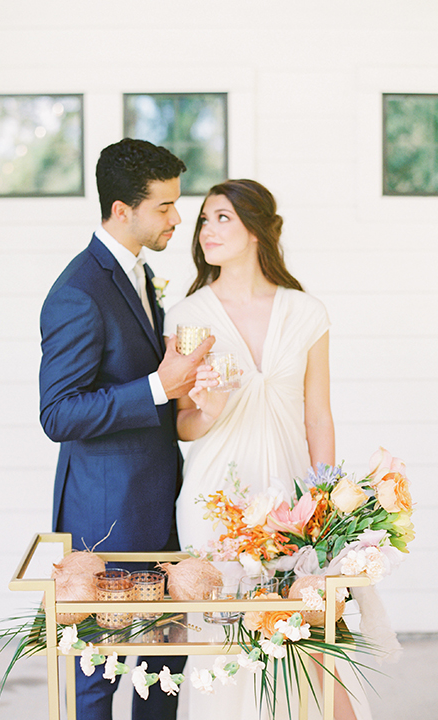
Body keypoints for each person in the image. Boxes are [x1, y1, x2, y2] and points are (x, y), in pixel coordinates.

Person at [164, 179, 372, 720]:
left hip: (289, 496)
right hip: (216, 498)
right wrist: (209, 410)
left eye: (222, 218)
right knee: (225, 641)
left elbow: (318, 414)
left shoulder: (307, 313)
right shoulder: (188, 315)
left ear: (257, 228)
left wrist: (324, 500)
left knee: (307, 635)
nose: (207, 229)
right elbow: (182, 425)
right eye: (204, 220)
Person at [39, 138, 214, 720]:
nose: (176, 218)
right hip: (105, 522)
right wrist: (159, 386)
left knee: (162, 670)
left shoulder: (138, 274)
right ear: (122, 210)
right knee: (99, 673)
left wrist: (184, 386)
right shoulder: (77, 292)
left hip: (160, 509)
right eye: (164, 207)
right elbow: (58, 414)